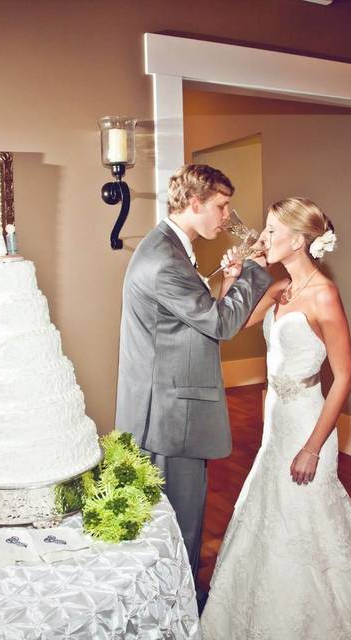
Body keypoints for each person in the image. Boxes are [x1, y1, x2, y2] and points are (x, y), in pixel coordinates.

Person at [200, 197, 351, 639]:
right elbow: (228, 327)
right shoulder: (278, 290)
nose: (262, 238)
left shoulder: (324, 296)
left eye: (272, 231)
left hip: (308, 425)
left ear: (298, 241)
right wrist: (234, 279)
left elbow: (346, 377)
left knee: (311, 521)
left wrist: (312, 447)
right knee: (271, 516)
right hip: (275, 423)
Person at [115, 164, 272, 599]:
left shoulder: (164, 245)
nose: (226, 216)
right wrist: (257, 272)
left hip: (159, 405)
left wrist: (231, 279)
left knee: (162, 523)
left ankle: (163, 603)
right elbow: (219, 324)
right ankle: (180, 612)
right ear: (195, 202)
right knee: (178, 526)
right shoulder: (165, 259)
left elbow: (186, 317)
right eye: (221, 206)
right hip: (168, 415)